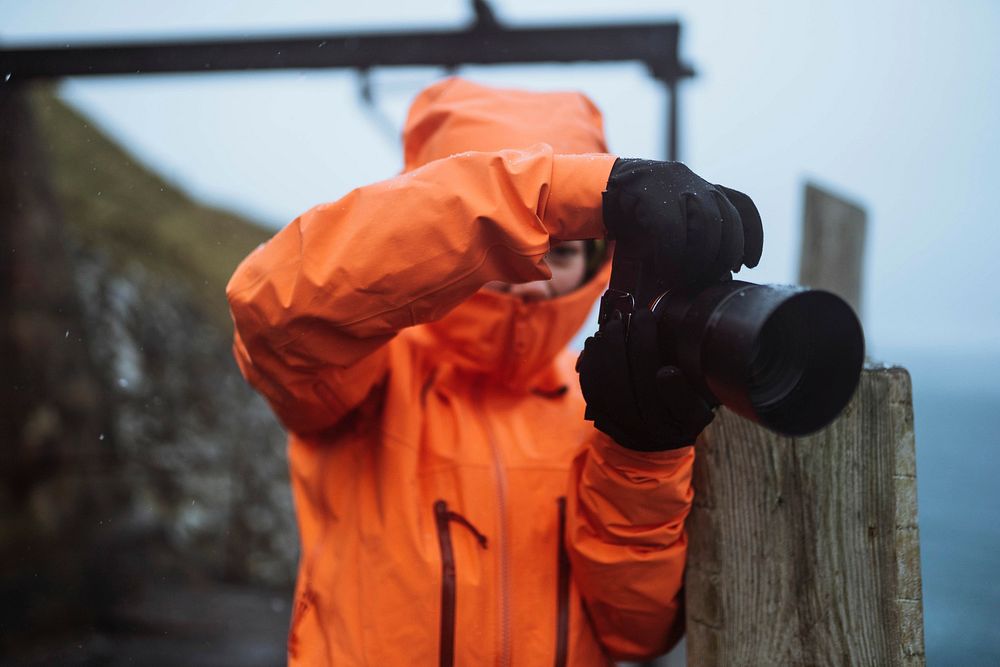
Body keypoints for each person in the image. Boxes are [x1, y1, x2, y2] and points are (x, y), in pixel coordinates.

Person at [226, 77, 761, 666]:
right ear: (438, 243)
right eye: (507, 248)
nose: (527, 279)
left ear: (594, 265)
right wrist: (566, 191)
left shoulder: (609, 403)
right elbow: (271, 312)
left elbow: (636, 631)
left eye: (557, 251)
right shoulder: (362, 373)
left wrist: (640, 457)